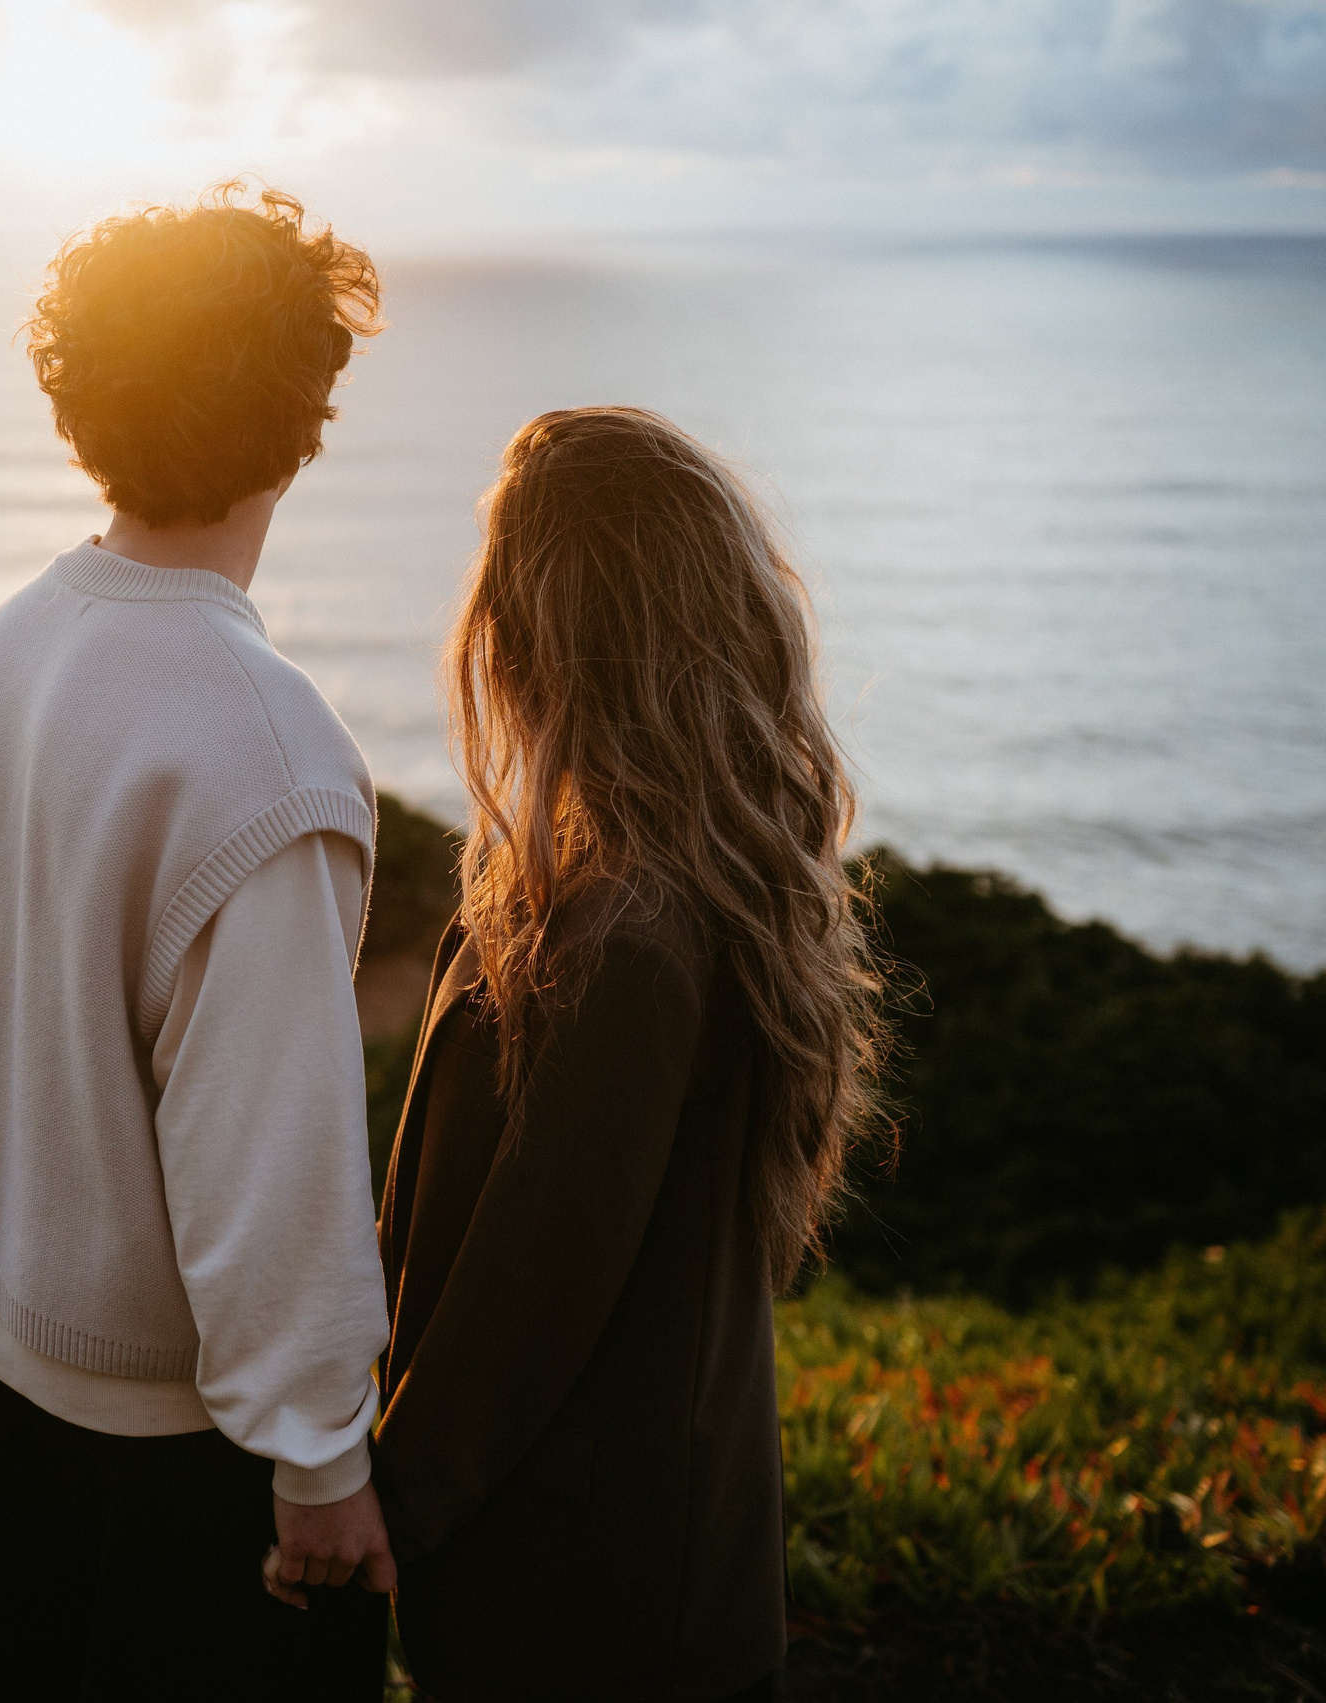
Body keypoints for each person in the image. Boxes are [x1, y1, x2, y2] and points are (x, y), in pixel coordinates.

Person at [0, 182, 396, 1700]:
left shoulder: (7, 648)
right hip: (187, 1467)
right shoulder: (265, 748)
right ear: (304, 415)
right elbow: (269, 1150)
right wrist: (319, 1463)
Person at [372, 408, 887, 1701]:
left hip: (585, 1609)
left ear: (554, 632)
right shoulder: (665, 890)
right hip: (644, 1579)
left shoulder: (633, 933)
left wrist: (378, 1506)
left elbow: (535, 1284)